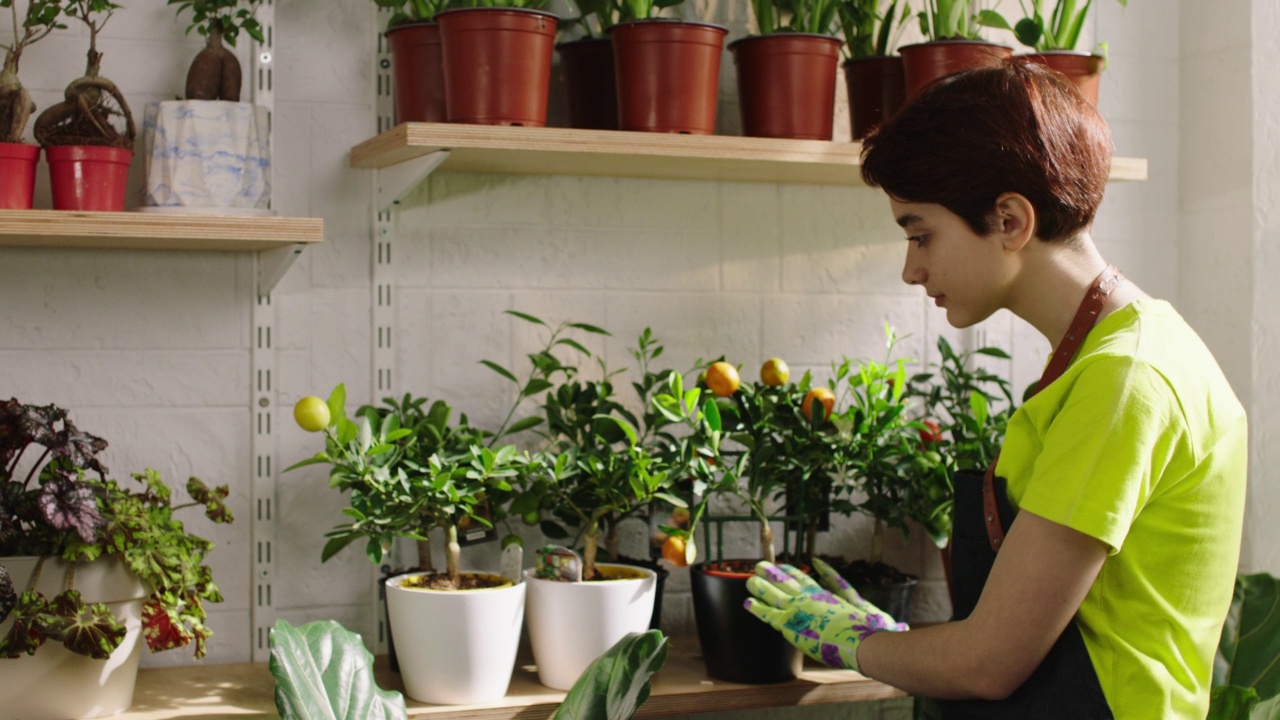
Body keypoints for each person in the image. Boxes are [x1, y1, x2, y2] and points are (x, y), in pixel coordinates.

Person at [743, 60, 1248, 719]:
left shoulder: (1124, 380)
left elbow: (989, 663)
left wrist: (858, 643)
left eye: (921, 233)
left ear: (1010, 220)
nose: (911, 268)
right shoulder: (1122, 353)